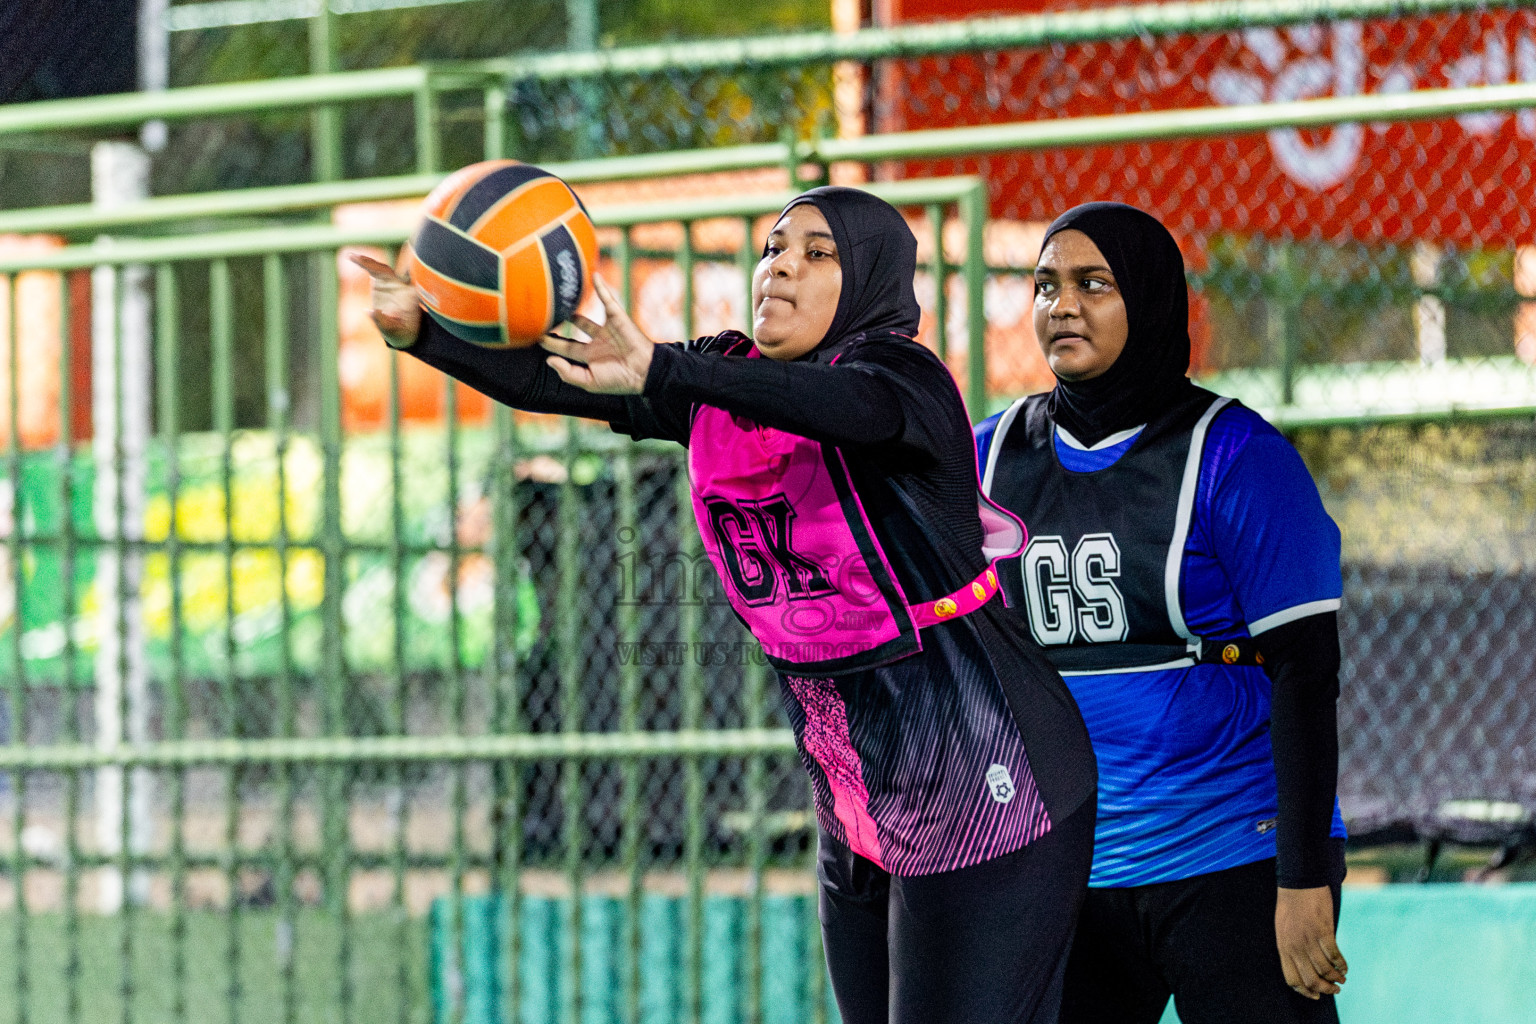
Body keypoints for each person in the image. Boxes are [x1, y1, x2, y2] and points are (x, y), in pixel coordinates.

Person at [353, 186, 1097, 1024]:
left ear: (870, 279)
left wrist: (672, 370)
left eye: (819, 254)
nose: (782, 267)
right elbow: (548, 379)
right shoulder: (723, 379)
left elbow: (851, 408)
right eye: (775, 248)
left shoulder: (906, 379)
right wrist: (422, 332)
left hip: (993, 779)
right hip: (857, 799)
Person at [975, 201, 1349, 1024]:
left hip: (1231, 856)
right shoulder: (990, 457)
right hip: (1063, 868)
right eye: (1044, 286)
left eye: (1092, 284)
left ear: (1149, 299)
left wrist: (1304, 874)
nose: (1061, 306)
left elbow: (1306, 673)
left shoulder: (1238, 456)